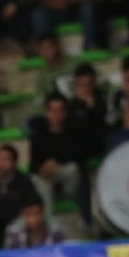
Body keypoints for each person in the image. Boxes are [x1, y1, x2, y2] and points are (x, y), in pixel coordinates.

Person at [29, 94, 87, 222]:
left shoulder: (74, 132)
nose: (56, 115)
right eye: (52, 111)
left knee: (73, 169)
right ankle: (50, 227)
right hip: (45, 179)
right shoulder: (38, 134)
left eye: (60, 110)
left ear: (65, 113)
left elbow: (79, 159)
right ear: (47, 113)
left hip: (66, 179)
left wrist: (55, 163)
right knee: (40, 181)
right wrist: (44, 169)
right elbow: (32, 167)